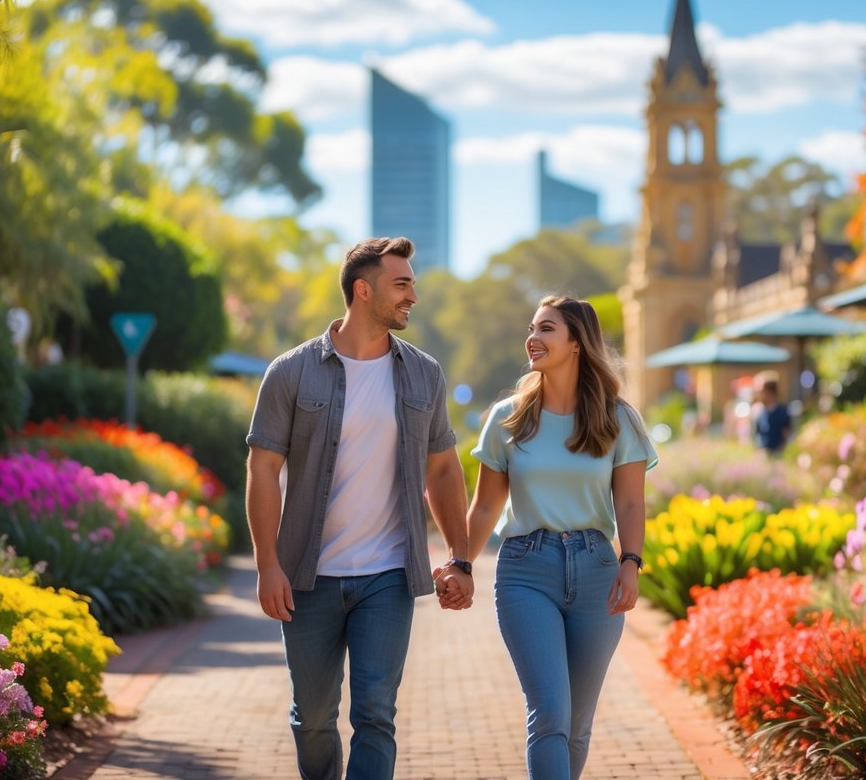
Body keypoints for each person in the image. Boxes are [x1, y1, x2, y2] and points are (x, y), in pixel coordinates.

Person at [245, 236, 474, 780]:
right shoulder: (292, 372)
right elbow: (262, 471)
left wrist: (460, 557)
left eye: (413, 283)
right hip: (308, 576)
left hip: (387, 577)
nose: (413, 295)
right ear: (363, 290)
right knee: (315, 718)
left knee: (375, 714)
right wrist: (267, 564)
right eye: (402, 284)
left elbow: (443, 469)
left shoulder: (424, 373)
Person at [438, 295, 657, 780]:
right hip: (525, 572)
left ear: (577, 342)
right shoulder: (508, 419)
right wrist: (461, 564)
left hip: (598, 570)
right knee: (551, 715)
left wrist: (630, 562)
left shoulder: (618, 420)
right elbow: (487, 506)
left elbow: (630, 504)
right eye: (532, 328)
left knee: (577, 726)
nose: (532, 338)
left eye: (547, 329)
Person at [753, 377, 791, 455]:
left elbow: (786, 433)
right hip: (763, 454)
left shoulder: (782, 411)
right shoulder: (760, 411)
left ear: (770, 391)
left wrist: (781, 449)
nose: (760, 394)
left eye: (762, 391)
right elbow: (757, 435)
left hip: (778, 454)